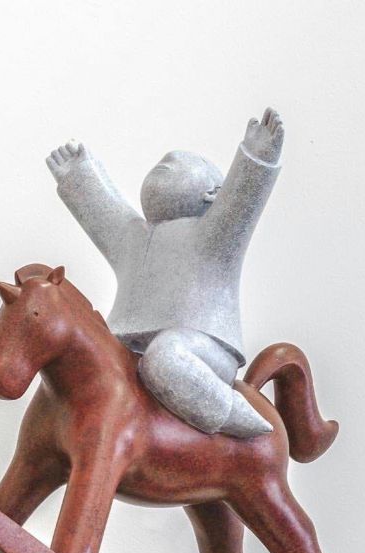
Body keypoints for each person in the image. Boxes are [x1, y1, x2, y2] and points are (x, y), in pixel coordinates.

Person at [47, 107, 285, 437]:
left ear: (215, 194)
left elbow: (242, 202)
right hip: (129, 345)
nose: (169, 159)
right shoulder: (135, 237)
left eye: (183, 165)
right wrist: (78, 174)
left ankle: (230, 411)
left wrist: (256, 158)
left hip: (202, 349)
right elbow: (105, 214)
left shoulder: (215, 234)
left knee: (166, 356)